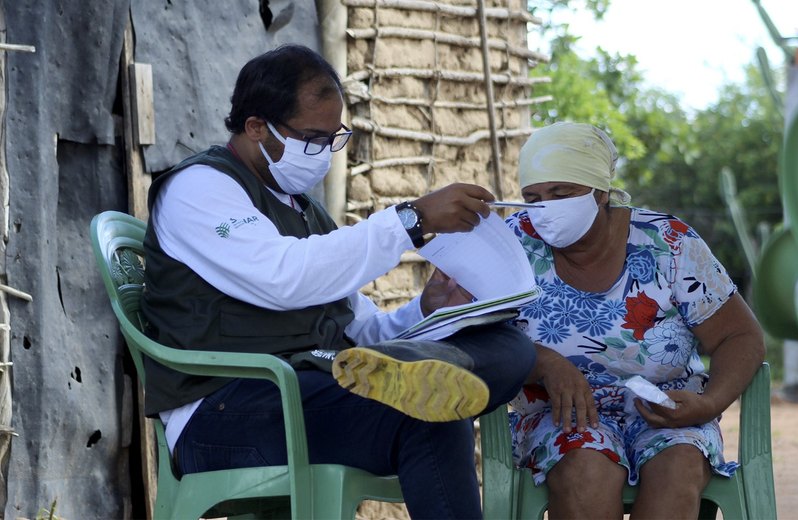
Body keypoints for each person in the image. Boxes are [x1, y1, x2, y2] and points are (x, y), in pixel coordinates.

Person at [140, 44, 536, 519]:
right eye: (312, 137)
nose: (324, 152)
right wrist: (410, 219)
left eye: (334, 138)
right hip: (224, 413)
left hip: (311, 388)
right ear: (256, 127)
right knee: (429, 411)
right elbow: (284, 277)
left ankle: (429, 360)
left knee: (509, 348)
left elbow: (358, 326)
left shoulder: (305, 211)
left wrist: (428, 312)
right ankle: (424, 370)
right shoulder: (200, 189)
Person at [504, 122, 766, 519]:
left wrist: (707, 403)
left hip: (669, 410)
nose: (546, 208)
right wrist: (542, 361)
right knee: (585, 467)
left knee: (678, 464)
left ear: (600, 191)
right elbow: (471, 339)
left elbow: (740, 336)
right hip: (556, 419)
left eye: (561, 193)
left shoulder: (667, 242)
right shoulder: (511, 246)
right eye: (532, 197)